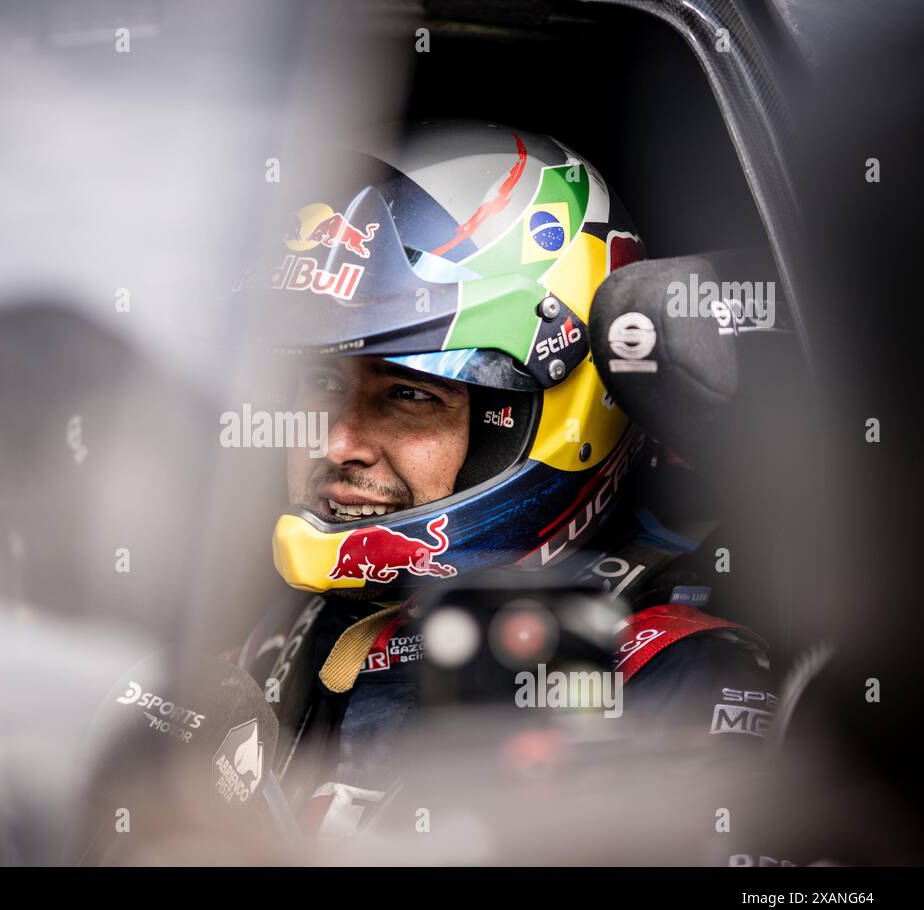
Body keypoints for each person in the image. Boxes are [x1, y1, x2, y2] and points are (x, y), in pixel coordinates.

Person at [229, 121, 779, 838]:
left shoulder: (671, 679)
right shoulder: (292, 627)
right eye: (319, 380)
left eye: (408, 394)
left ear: (557, 413)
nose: (337, 441)